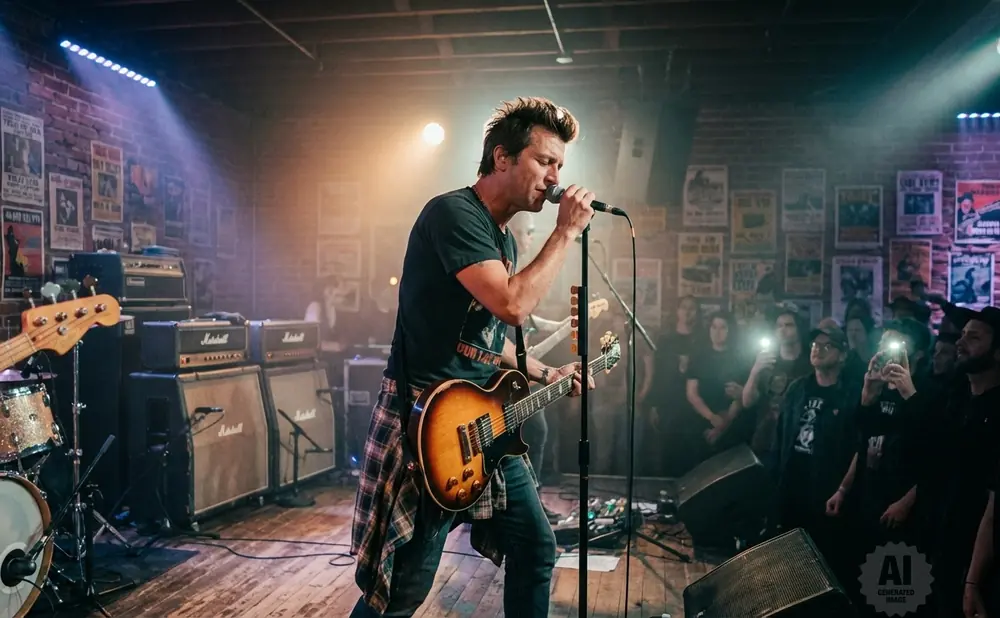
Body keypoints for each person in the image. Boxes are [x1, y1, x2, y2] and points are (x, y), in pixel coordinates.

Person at [349, 97, 597, 618]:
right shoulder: (454, 214)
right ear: (502, 157)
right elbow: (511, 305)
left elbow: (482, 336)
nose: (555, 178)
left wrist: (543, 370)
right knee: (402, 591)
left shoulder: (500, 237)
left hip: (481, 418)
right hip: (431, 424)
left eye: (560, 166)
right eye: (546, 161)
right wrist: (565, 232)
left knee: (535, 547)